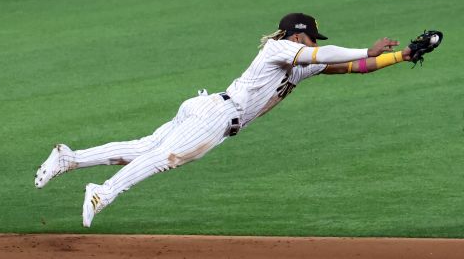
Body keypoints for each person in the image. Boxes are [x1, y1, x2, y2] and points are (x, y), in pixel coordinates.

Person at [35, 13, 413, 227]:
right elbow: (330, 54)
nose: (315, 44)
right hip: (218, 114)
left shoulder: (297, 67)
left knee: (144, 148)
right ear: (299, 35)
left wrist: (405, 55)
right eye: (312, 38)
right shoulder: (279, 48)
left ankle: (70, 158)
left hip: (208, 108)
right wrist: (368, 46)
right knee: (168, 158)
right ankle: (104, 191)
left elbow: (352, 68)